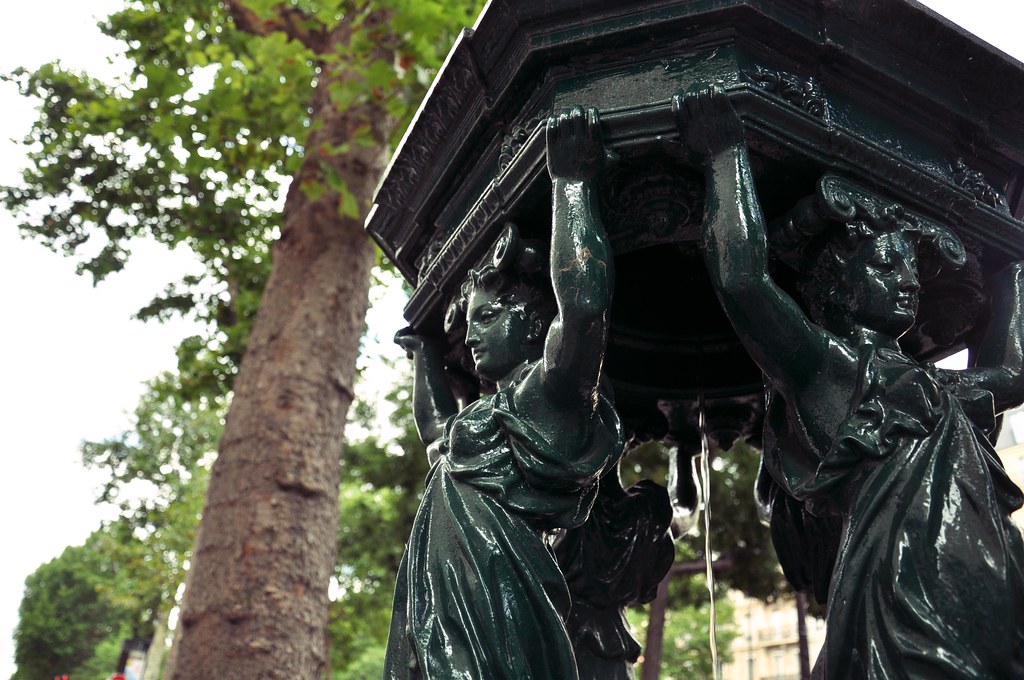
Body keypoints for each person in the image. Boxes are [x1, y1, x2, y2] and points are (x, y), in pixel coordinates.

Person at [675, 82, 1024, 678]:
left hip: (990, 577)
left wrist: (1009, 260)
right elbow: (744, 282)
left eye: (912, 267)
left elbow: (1014, 373)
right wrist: (725, 156)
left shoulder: (926, 385)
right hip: (906, 591)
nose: (909, 280)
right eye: (886, 265)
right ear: (835, 281)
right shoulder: (826, 368)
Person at [383, 107, 623, 679]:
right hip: (440, 606)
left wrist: (569, 183)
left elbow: (586, 308)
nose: (471, 331)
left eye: (489, 315)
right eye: (470, 319)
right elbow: (438, 434)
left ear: (536, 324)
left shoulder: (548, 393)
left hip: (497, 603)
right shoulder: (489, 412)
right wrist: (425, 352)